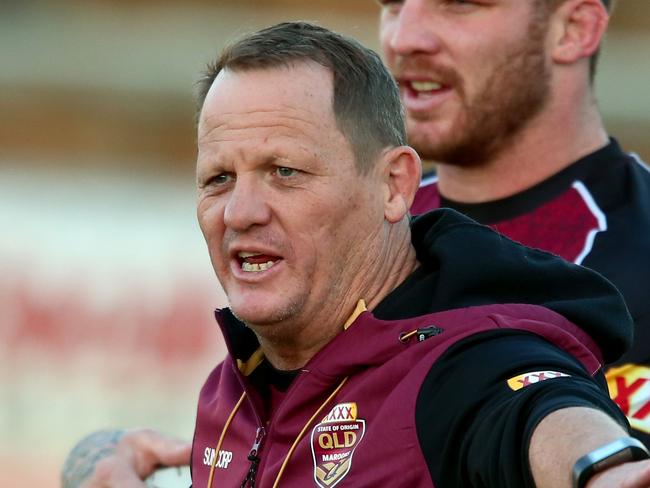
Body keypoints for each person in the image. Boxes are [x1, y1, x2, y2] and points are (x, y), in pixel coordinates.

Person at [62, 21, 650, 488]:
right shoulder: (234, 387)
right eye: (218, 178)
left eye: (284, 171)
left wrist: (605, 469)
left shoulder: (464, 363)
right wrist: (90, 463)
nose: (240, 211)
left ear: (394, 185)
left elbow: (536, 412)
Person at [377, 0, 650, 446]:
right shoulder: (346, 237)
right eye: (392, 4)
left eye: (459, 5)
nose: (403, 37)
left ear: (573, 29)